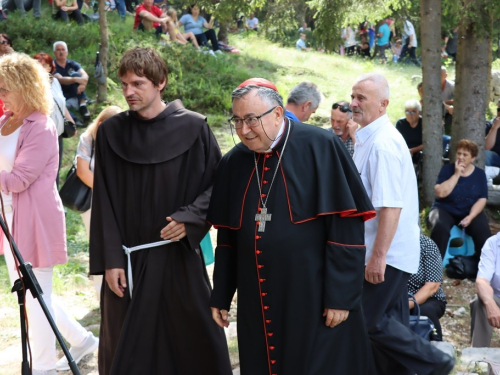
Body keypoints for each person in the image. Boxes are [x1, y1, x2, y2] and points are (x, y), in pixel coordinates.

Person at [208, 77, 376, 374]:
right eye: (237, 121)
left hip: (311, 294)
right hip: (256, 295)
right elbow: (228, 235)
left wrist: (341, 296)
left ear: (276, 114)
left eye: (251, 120)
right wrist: (222, 292)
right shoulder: (235, 161)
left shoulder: (320, 146)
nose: (244, 131)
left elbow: (345, 228)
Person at [88, 47, 231, 375]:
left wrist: (191, 217)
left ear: (160, 82)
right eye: (124, 84)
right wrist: (110, 260)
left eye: (137, 84)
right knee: (128, 349)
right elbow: (105, 200)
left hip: (177, 258)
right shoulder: (111, 132)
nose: (128, 92)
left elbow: (220, 185)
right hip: (129, 261)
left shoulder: (194, 127)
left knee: (194, 343)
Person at [0, 52, 98, 375]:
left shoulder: (41, 126)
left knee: (34, 299)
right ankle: (83, 340)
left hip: (35, 221)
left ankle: (43, 368)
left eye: (4, 88)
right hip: (10, 221)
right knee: (34, 293)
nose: (1, 95)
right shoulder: (5, 121)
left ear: (23, 86)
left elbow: (18, 179)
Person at [351, 72, 455, 375]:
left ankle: (437, 360)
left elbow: (391, 207)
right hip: (386, 252)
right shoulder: (369, 137)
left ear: (383, 104)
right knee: (391, 322)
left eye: (362, 98)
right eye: (353, 96)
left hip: (386, 255)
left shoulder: (382, 144)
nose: (354, 103)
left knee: (369, 321)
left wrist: (378, 257)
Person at [429, 139, 491, 260]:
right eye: (459, 153)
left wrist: (471, 216)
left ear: (473, 158)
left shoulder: (479, 174)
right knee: (440, 227)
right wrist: (457, 174)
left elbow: (482, 199)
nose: (461, 157)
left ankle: (481, 269)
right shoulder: (447, 170)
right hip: (445, 209)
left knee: (483, 232)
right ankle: (434, 270)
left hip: (469, 211)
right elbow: (440, 193)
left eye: (465, 154)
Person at [33, 52, 76, 187]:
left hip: (57, 133)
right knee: (41, 170)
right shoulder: (32, 85)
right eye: (38, 65)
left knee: (55, 168)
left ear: (51, 67)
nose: (42, 68)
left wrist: (71, 122)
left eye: (45, 65)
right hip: (40, 135)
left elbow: (61, 105)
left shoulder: (55, 82)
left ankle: (55, 204)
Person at [408, 235, 447, 341]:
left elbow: (432, 286)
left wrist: (406, 304)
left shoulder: (426, 244)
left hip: (427, 297)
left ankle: (436, 351)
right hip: (393, 297)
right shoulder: (381, 245)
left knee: (425, 312)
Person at [470, 232, 500, 347]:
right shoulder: (493, 243)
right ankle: (479, 359)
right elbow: (482, 281)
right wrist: (491, 305)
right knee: (480, 301)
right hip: (498, 297)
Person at [53, 41, 91, 123]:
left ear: (67, 52)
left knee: (76, 74)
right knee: (75, 76)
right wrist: (76, 79)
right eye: (58, 50)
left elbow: (85, 75)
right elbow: (61, 80)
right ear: (54, 52)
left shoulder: (72, 63)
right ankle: (75, 120)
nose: (61, 52)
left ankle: (83, 106)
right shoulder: (52, 66)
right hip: (61, 94)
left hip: (75, 92)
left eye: (63, 49)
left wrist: (82, 84)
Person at [395, 99, 423, 166]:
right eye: (407, 112)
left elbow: (428, 143)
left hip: (420, 154)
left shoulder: (424, 123)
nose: (410, 115)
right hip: (403, 153)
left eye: (413, 112)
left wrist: (413, 150)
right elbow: (396, 141)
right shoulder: (400, 123)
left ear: (419, 112)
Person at [485, 99, 500, 168]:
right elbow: (487, 147)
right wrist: (494, 128)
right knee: (485, 154)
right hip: (495, 158)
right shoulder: (491, 124)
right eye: (498, 110)